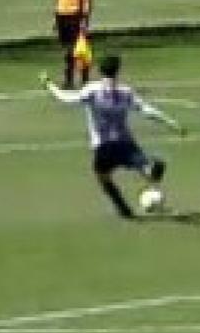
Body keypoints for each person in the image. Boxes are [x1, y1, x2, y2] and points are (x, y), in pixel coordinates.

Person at [42, 55, 186, 219]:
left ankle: (123, 209)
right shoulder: (126, 92)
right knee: (141, 165)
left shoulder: (93, 90)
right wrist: (171, 123)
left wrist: (49, 84)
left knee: (102, 177)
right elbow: (147, 110)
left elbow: (65, 98)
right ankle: (149, 168)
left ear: (100, 70)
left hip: (103, 145)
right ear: (118, 71)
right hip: (125, 142)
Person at [53, 0, 93, 88]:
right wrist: (55, 17)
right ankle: (68, 79)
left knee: (79, 49)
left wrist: (84, 20)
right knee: (67, 50)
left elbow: (86, 0)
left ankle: (84, 79)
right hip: (62, 15)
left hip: (74, 16)